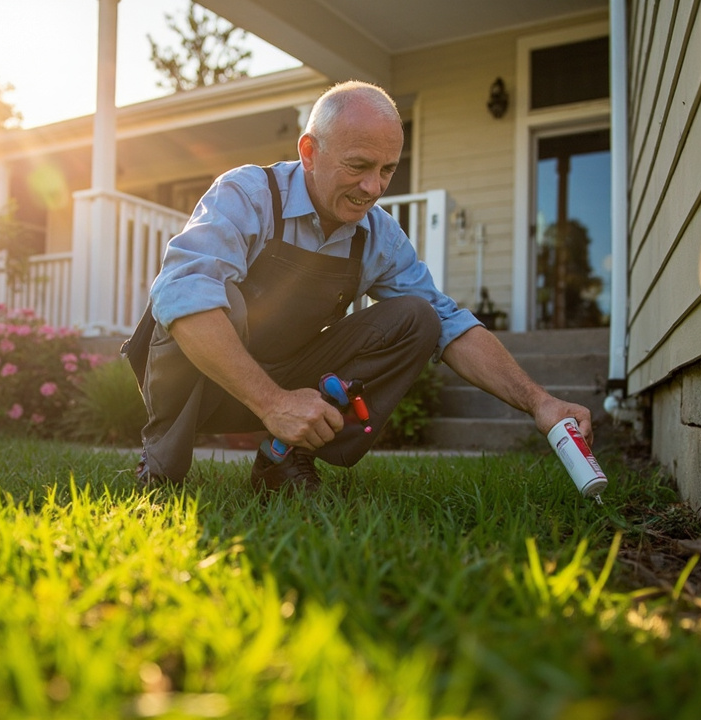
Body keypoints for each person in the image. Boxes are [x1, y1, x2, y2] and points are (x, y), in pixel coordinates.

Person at [123, 80, 593, 493]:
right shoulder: (247, 194)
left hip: (286, 381)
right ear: (309, 152)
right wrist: (273, 402)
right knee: (209, 295)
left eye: (387, 170)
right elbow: (182, 295)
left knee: (417, 318)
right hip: (198, 385)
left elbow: (450, 324)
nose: (373, 187)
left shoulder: (378, 236)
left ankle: (283, 459)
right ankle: (160, 462)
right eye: (358, 166)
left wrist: (540, 403)